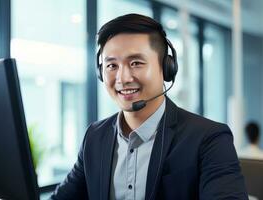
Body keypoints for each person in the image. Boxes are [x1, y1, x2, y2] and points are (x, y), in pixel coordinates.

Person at [50, 13, 248, 199]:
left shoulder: (209, 139)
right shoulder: (94, 137)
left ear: (166, 68)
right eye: (112, 65)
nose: (123, 78)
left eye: (136, 63)